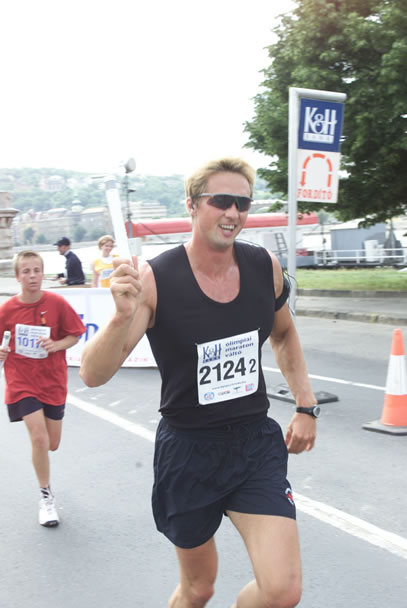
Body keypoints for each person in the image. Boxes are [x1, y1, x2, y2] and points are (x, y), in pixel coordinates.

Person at [80, 157, 318, 608]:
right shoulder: (156, 278)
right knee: (198, 588)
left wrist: (305, 405)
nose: (232, 213)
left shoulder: (263, 266)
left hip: (253, 445)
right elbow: (93, 374)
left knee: (282, 591)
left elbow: (284, 333)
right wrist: (121, 317)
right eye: (221, 201)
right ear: (192, 205)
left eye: (242, 203)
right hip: (189, 451)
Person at [0, 251, 86, 527]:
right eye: (26, 271)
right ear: (17, 276)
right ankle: (46, 498)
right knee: (38, 438)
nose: (32, 276)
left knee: (51, 444)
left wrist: (56, 345)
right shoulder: (6, 310)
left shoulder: (57, 303)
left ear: (42, 273)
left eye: (36, 270)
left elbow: (75, 334)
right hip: (21, 381)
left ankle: (42, 457)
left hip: (53, 381)